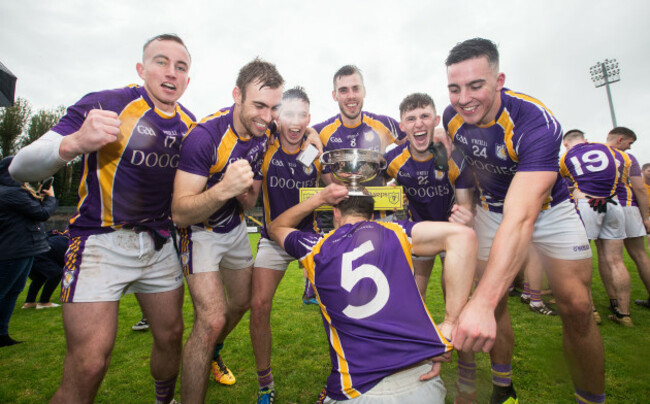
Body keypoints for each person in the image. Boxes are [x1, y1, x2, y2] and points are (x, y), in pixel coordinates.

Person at [9, 33, 193, 404]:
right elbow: (18, 166)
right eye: (161, 62)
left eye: (181, 66)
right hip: (100, 241)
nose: (171, 72)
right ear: (141, 69)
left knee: (172, 339)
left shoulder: (190, 125)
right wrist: (73, 142)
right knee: (90, 363)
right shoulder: (106, 104)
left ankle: (164, 400)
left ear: (188, 79)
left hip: (159, 246)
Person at [442, 38, 604, 404]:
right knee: (496, 303)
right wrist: (466, 205)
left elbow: (522, 216)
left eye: (475, 85)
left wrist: (479, 302)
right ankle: (503, 387)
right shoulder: (450, 118)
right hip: (492, 209)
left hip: (548, 210)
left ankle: (591, 399)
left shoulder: (536, 122)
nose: (464, 98)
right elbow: (467, 168)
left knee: (577, 306)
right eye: (454, 88)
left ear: (499, 80)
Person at [268, 183, 478, 404]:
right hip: (419, 381)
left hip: (355, 389)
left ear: (336, 212)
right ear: (371, 214)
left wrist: (319, 198)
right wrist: (450, 322)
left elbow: (276, 227)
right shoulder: (396, 232)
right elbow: (463, 236)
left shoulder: (315, 247)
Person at [171, 58, 284, 403]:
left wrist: (246, 194)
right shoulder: (205, 137)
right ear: (237, 95)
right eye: (259, 105)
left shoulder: (267, 132)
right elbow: (178, 213)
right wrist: (224, 189)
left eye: (274, 108)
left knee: (243, 301)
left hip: (234, 228)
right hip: (199, 232)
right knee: (211, 320)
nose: (266, 116)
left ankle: (215, 352)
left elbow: (247, 204)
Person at [248, 86, 322, 403]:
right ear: (278, 115)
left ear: (308, 118)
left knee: (337, 305)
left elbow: (336, 187)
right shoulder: (264, 146)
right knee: (259, 305)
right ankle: (265, 384)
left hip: (307, 236)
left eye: (301, 115)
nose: (295, 122)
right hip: (272, 239)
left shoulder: (316, 152)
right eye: (288, 113)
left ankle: (344, 376)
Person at [383, 92, 474, 298]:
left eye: (425, 116)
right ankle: (417, 330)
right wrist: (387, 192)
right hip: (420, 229)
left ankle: (454, 328)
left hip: (452, 229)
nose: (419, 124)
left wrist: (465, 214)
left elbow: (464, 205)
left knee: (455, 290)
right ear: (402, 126)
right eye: (411, 119)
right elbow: (372, 185)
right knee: (415, 293)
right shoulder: (393, 159)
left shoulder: (455, 156)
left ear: (436, 120)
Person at [313, 65, 405, 225]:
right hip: (344, 219)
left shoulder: (383, 124)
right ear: (334, 95)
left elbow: (416, 148)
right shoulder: (322, 132)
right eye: (343, 90)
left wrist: (397, 187)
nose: (351, 96)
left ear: (364, 91)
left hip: (383, 216)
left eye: (356, 89)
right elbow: (298, 151)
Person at [560, 129, 630, 325]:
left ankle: (591, 310)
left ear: (566, 144)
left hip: (587, 204)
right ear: (586, 140)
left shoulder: (566, 157)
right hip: (614, 204)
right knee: (616, 261)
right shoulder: (612, 151)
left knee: (581, 257)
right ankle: (624, 314)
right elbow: (621, 175)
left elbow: (568, 182)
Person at [0, 156, 57, 347]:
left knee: (13, 291)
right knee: (4, 291)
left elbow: (34, 209)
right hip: (13, 249)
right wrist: (51, 197)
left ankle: (2, 333)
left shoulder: (14, 192)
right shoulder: (11, 193)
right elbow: (41, 213)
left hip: (23, 248)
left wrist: (41, 197)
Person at [603, 127, 650, 310]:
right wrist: (646, 217)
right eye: (629, 143)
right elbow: (639, 188)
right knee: (640, 255)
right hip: (627, 205)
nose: (629, 148)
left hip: (605, 206)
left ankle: (615, 303)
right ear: (621, 139)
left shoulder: (595, 153)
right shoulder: (628, 158)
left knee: (610, 258)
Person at [22, 229, 69, 309]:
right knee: (57, 274)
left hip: (35, 252)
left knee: (40, 277)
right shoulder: (73, 244)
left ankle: (29, 302)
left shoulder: (58, 236)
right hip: (42, 253)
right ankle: (44, 302)